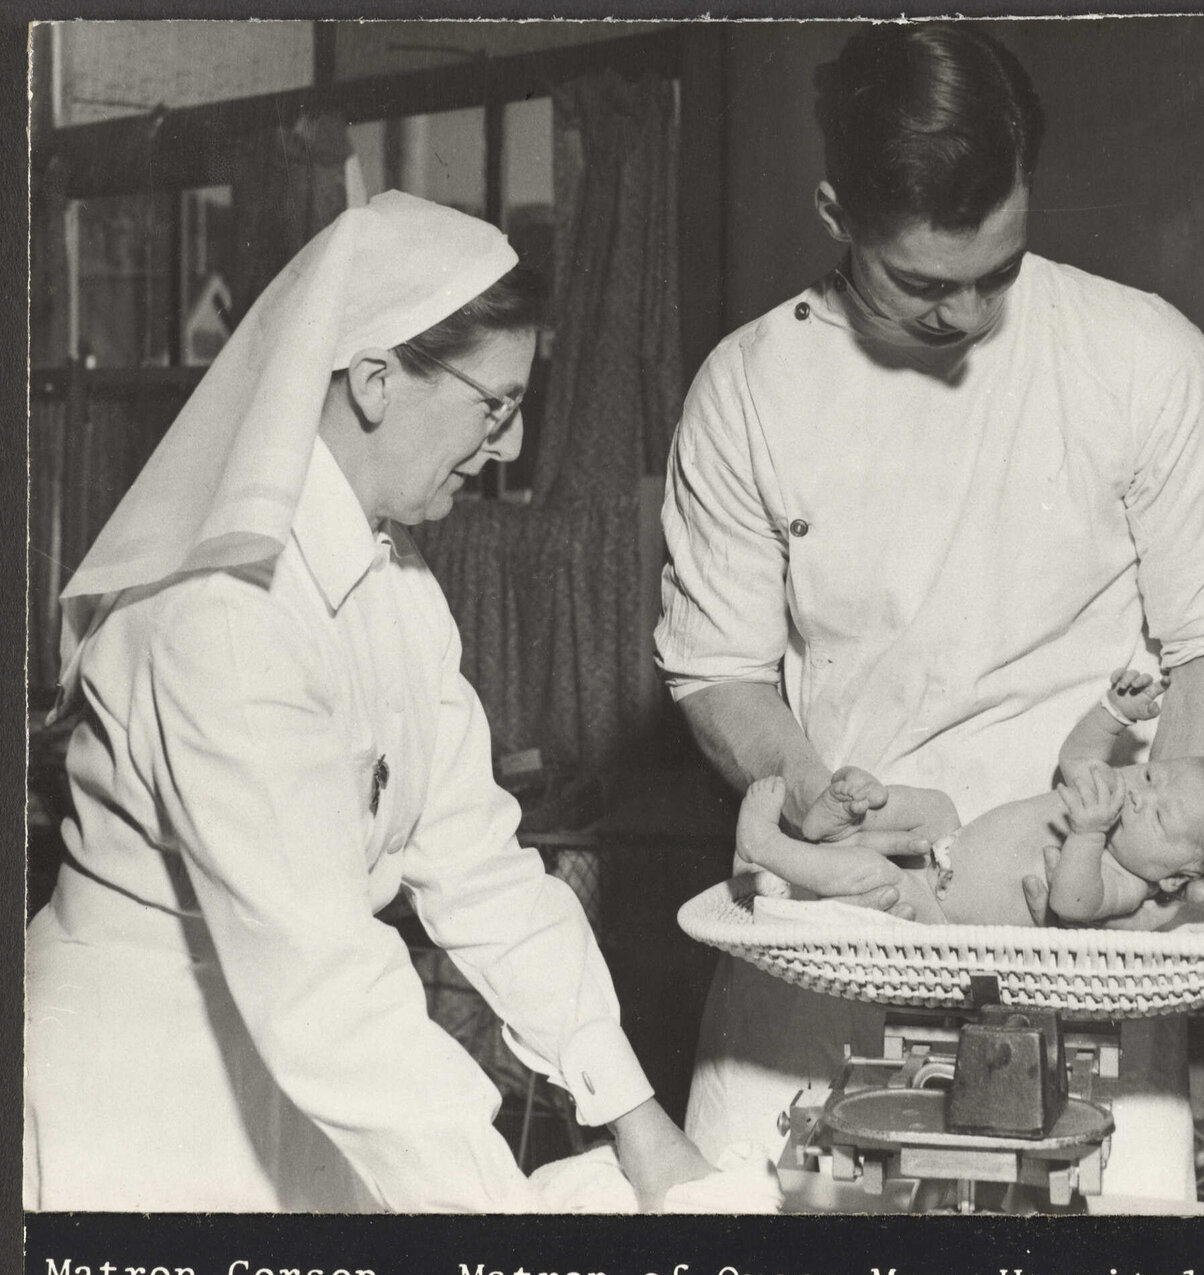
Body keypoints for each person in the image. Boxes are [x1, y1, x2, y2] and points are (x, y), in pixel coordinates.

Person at [24, 191, 766, 1215]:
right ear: (373, 380)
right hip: (150, 1082)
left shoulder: (395, 580)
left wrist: (638, 1121)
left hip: (304, 1056)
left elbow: (478, 865)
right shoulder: (227, 617)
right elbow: (324, 983)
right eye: (494, 406)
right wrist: (499, 1212)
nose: (507, 447)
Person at [656, 24, 1204, 1199]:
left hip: (1087, 946)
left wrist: (1134, 886)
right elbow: (719, 669)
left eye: (998, 272)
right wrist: (806, 795)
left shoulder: (1143, 359)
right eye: (921, 285)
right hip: (835, 936)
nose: (966, 319)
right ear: (836, 211)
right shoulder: (748, 391)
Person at [734, 669, 1204, 927]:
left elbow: (1071, 902)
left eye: (1159, 814)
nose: (1139, 795)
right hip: (946, 846)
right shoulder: (1108, 796)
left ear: (1176, 878)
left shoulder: (1125, 881)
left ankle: (768, 847)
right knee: (935, 806)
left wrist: (1088, 834)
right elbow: (1076, 756)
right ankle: (839, 820)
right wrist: (1113, 713)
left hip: (938, 916)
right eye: (1154, 776)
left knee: (879, 878)